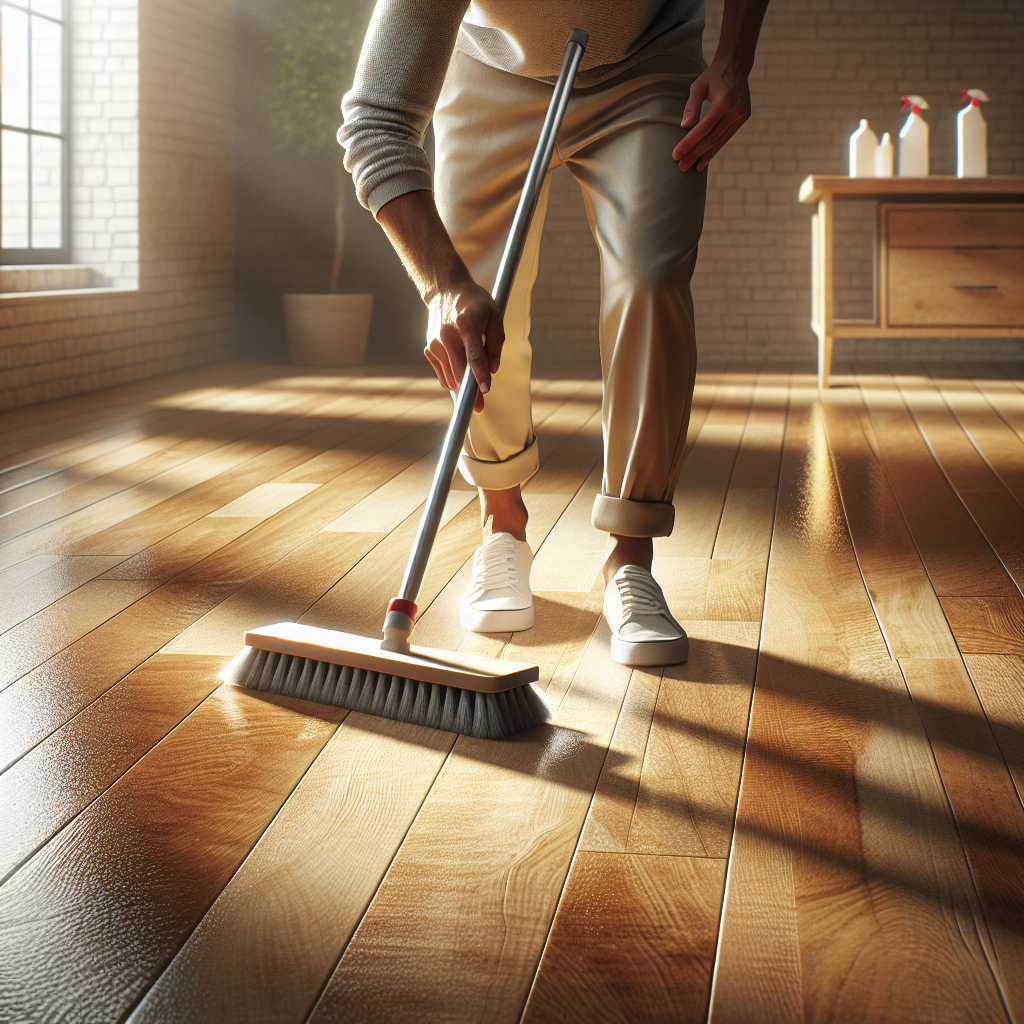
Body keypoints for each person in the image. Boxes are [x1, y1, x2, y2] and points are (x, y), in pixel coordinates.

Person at [339, 0, 770, 666]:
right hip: (489, 68)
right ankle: (501, 527)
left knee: (650, 281)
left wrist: (735, 56)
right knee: (477, 288)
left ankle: (631, 558)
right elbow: (374, 122)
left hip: (648, 63)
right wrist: (443, 286)